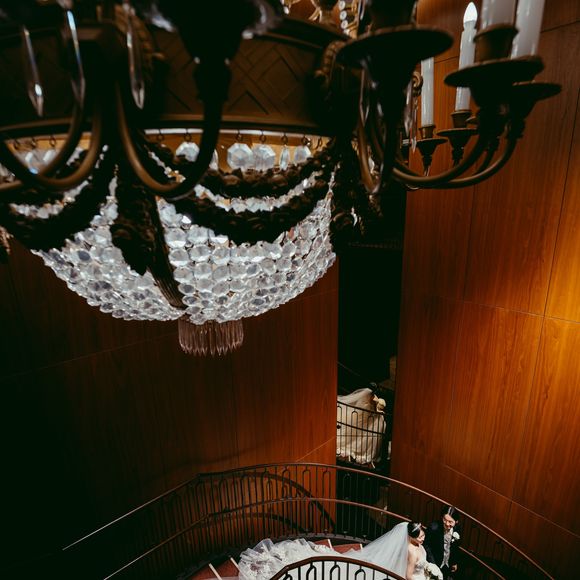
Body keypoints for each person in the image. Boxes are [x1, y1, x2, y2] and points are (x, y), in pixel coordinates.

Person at [237, 521, 443, 579]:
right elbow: (408, 576)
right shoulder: (411, 551)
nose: (423, 538)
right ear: (410, 537)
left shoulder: (417, 546)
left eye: (423, 535)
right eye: (420, 536)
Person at [424, 506, 462, 579]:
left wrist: (454, 562)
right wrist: (433, 563)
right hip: (435, 561)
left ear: (456, 521)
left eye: (450, 522)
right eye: (445, 520)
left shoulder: (457, 529)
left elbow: (456, 547)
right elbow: (426, 545)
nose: (447, 524)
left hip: (448, 564)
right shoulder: (433, 528)